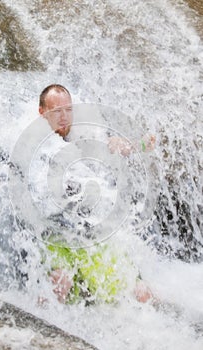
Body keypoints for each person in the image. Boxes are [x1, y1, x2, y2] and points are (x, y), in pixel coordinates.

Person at [38, 84, 155, 305]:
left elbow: (115, 147)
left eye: (68, 110)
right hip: (52, 230)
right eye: (56, 112)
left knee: (141, 292)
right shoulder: (37, 143)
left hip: (87, 227)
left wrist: (139, 144)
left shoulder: (83, 133)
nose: (64, 118)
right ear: (42, 113)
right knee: (61, 284)